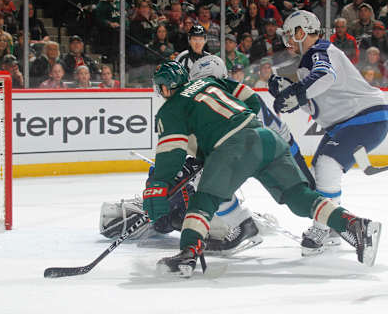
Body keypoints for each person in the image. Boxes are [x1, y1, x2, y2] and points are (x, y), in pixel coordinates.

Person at [147, 60, 381, 278]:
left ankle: (187, 255)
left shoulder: (170, 110)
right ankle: (354, 225)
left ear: (164, 89)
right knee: (300, 198)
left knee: (203, 201)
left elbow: (171, 153)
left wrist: (158, 185)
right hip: (267, 138)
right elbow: (250, 98)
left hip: (232, 148)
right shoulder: (209, 81)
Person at [270, 10, 387, 257]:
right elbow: (314, 101)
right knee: (318, 175)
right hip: (351, 122)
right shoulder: (308, 62)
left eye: (291, 34)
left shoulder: (319, 51)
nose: (288, 40)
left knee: (326, 164)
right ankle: (335, 223)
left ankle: (322, 227)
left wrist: (296, 92)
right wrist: (290, 91)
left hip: (364, 117)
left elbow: (323, 76)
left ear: (302, 31)